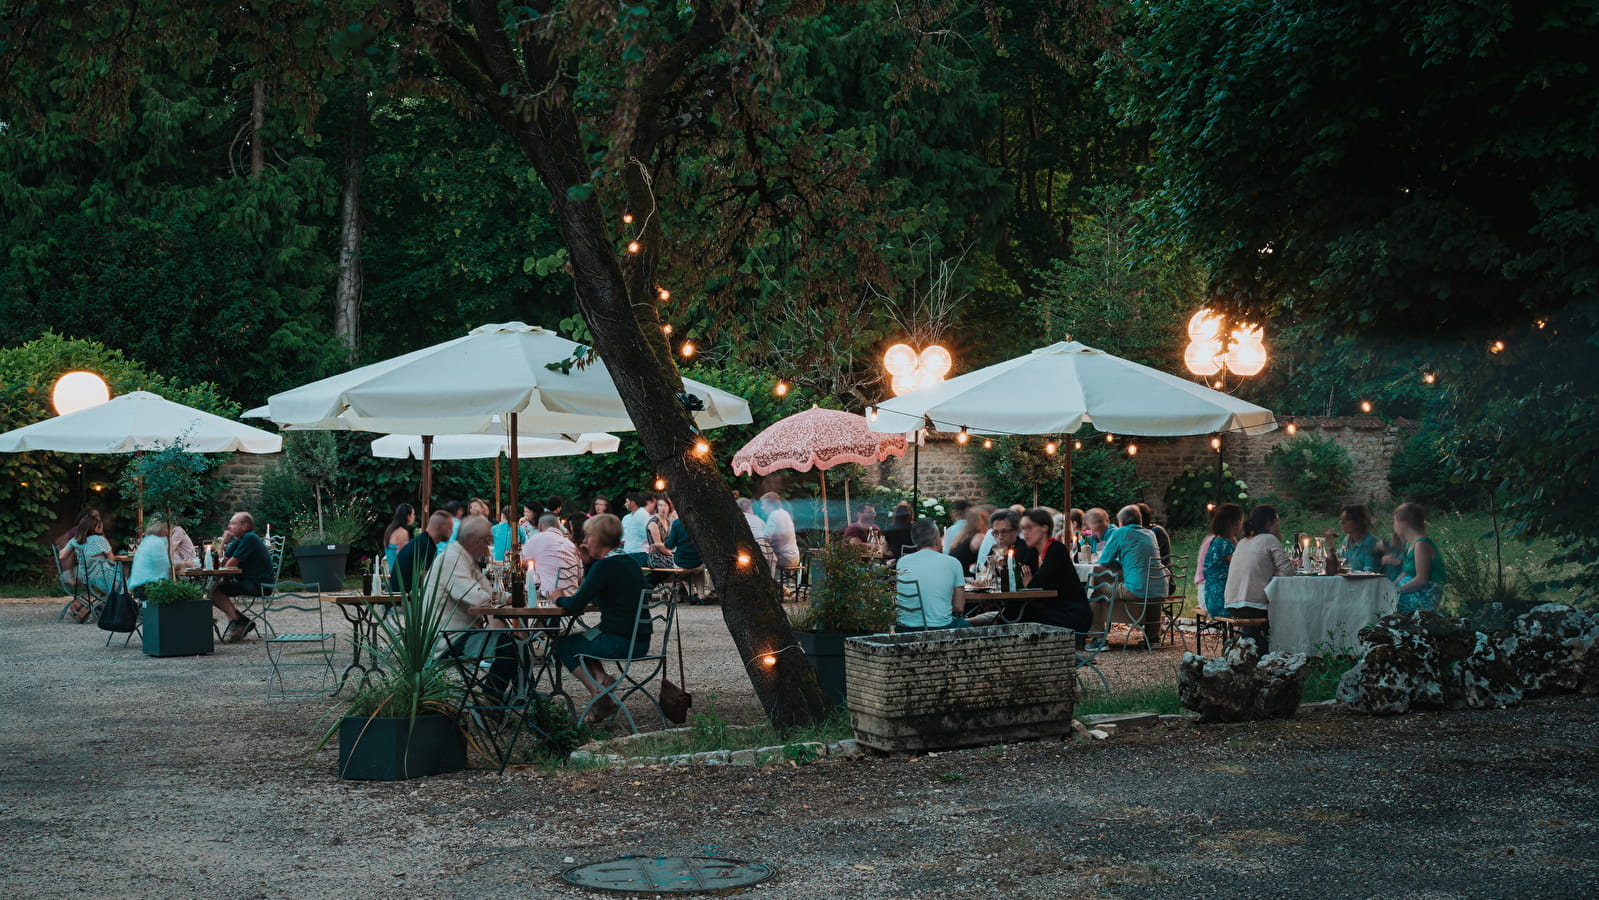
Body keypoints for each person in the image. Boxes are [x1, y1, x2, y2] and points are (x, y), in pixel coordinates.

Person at [555, 514, 651, 724]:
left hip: (620, 641)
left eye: (588, 536)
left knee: (563, 644)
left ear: (598, 539)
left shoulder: (605, 566)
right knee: (583, 640)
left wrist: (557, 598)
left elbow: (575, 604)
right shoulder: (628, 561)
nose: (585, 541)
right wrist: (589, 561)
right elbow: (597, 593)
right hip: (639, 639)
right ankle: (600, 680)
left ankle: (599, 695)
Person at [1004, 508, 1090, 640]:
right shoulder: (1032, 551)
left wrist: (1029, 583)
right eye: (1023, 529)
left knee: (1018, 614)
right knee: (1012, 611)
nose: (1025, 533)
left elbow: (1034, 584)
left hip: (1070, 613)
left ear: (1044, 528)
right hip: (1049, 609)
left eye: (1029, 528)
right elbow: (1020, 580)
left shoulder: (1056, 550)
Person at [1223, 504, 1296, 650]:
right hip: (1253, 605)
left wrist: (1267, 570)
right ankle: (1284, 650)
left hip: (1232, 605)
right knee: (1292, 610)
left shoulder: (1243, 541)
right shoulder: (1269, 539)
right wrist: (1271, 571)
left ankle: (1251, 647)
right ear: (1269, 523)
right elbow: (1288, 571)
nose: (1278, 526)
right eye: (1277, 522)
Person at [1091, 505, 1164, 646]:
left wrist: (1120, 561)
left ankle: (1098, 638)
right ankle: (1153, 638)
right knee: (1150, 588)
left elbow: (1105, 560)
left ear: (1122, 522)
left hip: (1137, 589)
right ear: (1140, 521)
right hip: (1160, 588)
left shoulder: (1121, 532)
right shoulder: (1150, 533)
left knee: (1094, 590)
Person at [210, 511, 275, 643]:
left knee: (214, 591)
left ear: (244, 526)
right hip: (248, 582)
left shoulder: (250, 538)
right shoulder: (238, 540)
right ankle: (241, 621)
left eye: (233, 523)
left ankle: (238, 621)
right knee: (212, 591)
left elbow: (230, 564)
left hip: (260, 584)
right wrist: (223, 542)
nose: (229, 527)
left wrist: (225, 570)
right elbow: (220, 562)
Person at [894, 518, 968, 631]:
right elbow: (959, 607)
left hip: (904, 628)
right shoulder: (953, 562)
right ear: (936, 539)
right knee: (968, 626)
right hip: (941, 628)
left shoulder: (902, 562)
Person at [1384, 502, 1446, 614]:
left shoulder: (1421, 544)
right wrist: (1391, 586)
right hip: (1411, 590)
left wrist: (1396, 591)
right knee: (1381, 599)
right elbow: (1406, 572)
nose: (1394, 526)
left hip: (1425, 594)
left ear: (1403, 523)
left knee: (1384, 605)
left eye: (1395, 522)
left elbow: (1421, 580)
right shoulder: (1410, 544)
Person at [522, 514, 584, 602]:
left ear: (539, 527)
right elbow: (580, 576)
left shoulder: (535, 540)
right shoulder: (570, 545)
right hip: (572, 598)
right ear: (558, 526)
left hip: (549, 598)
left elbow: (522, 561)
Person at [1201, 503, 1245, 617]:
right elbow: (1240, 567)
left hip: (1211, 599)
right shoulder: (1225, 546)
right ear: (1236, 523)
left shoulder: (1216, 541)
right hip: (1222, 602)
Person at [394, 510, 453, 594]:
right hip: (404, 602)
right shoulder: (425, 546)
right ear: (439, 527)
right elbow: (428, 582)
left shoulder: (423, 542)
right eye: (450, 528)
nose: (452, 532)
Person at [127, 519, 172, 598]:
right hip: (148, 585)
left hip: (137, 583)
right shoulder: (157, 542)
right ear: (163, 529)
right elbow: (166, 565)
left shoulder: (147, 540)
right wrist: (184, 564)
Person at [1136, 502, 1174, 594]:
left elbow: (1143, 559)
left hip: (1163, 582)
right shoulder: (1146, 532)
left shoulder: (1154, 532)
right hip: (1148, 580)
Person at [1338, 504, 1383, 573]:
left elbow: (1370, 573)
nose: (1342, 522)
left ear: (1358, 521)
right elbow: (1339, 561)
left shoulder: (1371, 543)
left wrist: (1350, 573)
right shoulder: (1347, 540)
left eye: (1346, 519)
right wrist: (1330, 544)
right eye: (1341, 519)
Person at [759, 492, 800, 568]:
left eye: (763, 505)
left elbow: (765, 537)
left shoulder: (774, 515)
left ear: (771, 505)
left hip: (785, 558)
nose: (762, 507)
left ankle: (767, 579)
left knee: (757, 560)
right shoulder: (785, 513)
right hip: (794, 557)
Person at [949, 507, 989, 574]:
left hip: (954, 570)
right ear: (983, 521)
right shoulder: (979, 537)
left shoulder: (963, 536)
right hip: (964, 573)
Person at [384, 504, 416, 578]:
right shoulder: (402, 532)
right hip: (400, 574)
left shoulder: (390, 529)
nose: (414, 517)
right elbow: (406, 555)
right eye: (413, 514)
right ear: (408, 516)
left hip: (392, 570)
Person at [621, 492, 654, 559]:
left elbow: (647, 535)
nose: (625, 504)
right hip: (627, 551)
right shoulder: (626, 518)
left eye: (627, 502)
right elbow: (623, 536)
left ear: (633, 502)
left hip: (641, 552)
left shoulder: (644, 515)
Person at [646, 495, 677, 568]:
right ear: (657, 507)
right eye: (661, 505)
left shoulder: (667, 521)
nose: (663, 508)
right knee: (682, 564)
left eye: (666, 505)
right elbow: (659, 546)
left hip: (667, 554)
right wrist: (672, 555)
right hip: (657, 558)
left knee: (688, 562)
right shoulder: (654, 523)